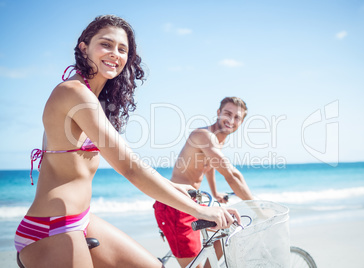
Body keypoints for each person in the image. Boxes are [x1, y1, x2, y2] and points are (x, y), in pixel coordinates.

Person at [14, 15, 239, 268]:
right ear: (83, 48)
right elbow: (129, 167)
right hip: (50, 228)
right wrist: (198, 211)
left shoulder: (92, 98)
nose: (115, 54)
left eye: (122, 49)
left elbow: (126, 161)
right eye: (106, 44)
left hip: (81, 220)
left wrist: (175, 187)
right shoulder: (73, 93)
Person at [154, 97, 254, 268]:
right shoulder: (204, 135)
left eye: (237, 117)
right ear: (218, 113)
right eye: (227, 114)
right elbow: (232, 176)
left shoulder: (217, 140)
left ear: (242, 121)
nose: (231, 120)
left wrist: (215, 193)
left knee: (229, 227)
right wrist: (256, 207)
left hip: (191, 202)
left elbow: (209, 166)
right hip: (176, 206)